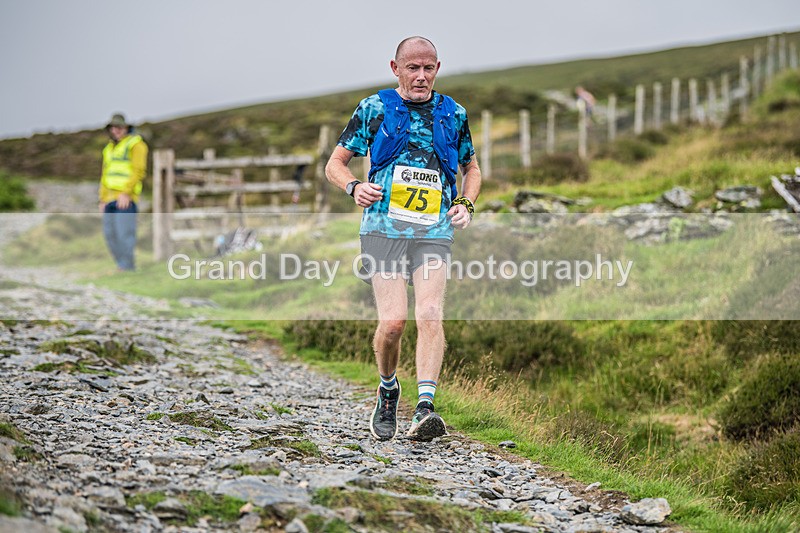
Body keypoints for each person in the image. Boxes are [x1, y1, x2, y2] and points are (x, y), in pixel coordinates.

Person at [325, 36, 482, 441]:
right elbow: (335, 164)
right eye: (412, 68)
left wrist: (466, 202)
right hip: (382, 229)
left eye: (428, 68)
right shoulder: (374, 107)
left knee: (429, 313)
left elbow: (472, 169)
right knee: (393, 323)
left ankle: (425, 408)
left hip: (433, 230)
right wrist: (354, 187)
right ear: (395, 68)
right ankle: (388, 388)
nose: (421, 76)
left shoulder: (454, 114)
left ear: (437, 68)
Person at [99, 113, 148, 271]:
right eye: (113, 127)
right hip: (109, 199)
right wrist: (102, 198)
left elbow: (138, 171)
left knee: (124, 234)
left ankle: (127, 267)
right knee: (110, 235)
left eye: (119, 127)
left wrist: (126, 193)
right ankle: (121, 264)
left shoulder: (136, 144)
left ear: (126, 128)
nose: (116, 130)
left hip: (125, 198)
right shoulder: (109, 148)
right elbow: (105, 174)